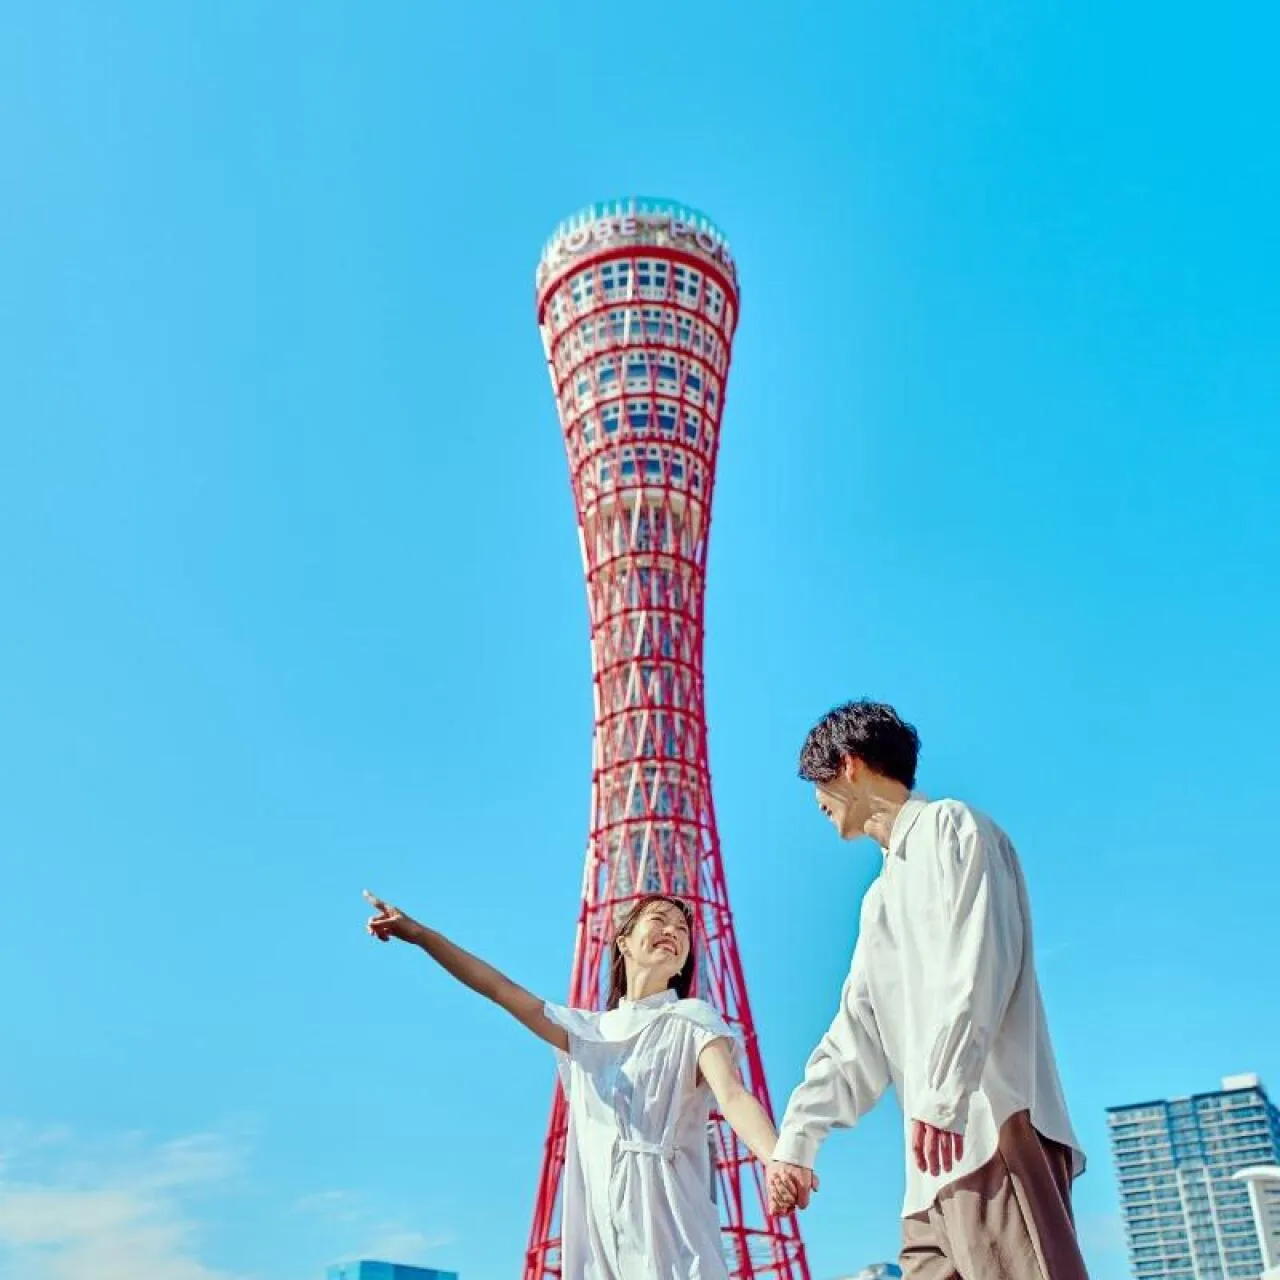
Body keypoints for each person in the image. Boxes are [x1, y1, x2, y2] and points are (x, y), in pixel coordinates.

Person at [766, 701, 1088, 1280]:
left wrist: (943, 1097)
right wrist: (797, 1139)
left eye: (818, 780)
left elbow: (980, 963)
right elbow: (856, 1035)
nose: (816, 800)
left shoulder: (952, 828)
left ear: (849, 765)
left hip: (991, 1125)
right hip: (928, 1174)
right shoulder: (879, 899)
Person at [362, 889, 794, 1280]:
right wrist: (420, 936)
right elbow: (497, 988)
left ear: (683, 962)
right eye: (659, 920)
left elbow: (733, 1095)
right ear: (624, 942)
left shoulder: (693, 1020)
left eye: (683, 930)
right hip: (601, 1229)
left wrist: (777, 1159)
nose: (673, 932)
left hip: (671, 1223)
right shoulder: (587, 1033)